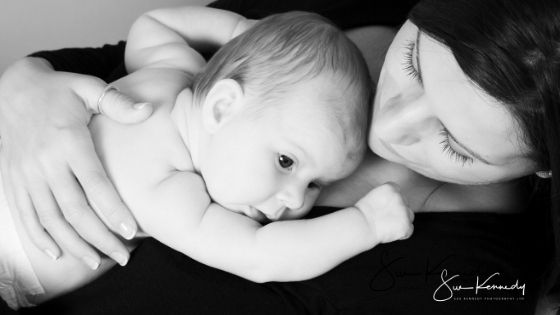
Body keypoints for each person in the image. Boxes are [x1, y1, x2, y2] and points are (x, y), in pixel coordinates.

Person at [0, 0, 555, 314]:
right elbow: (260, 255)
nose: (390, 125)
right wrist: (363, 225)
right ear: (222, 106)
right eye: (412, 63)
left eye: (455, 142)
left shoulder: (181, 70)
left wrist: (243, 36)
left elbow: (153, 26)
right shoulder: (169, 188)